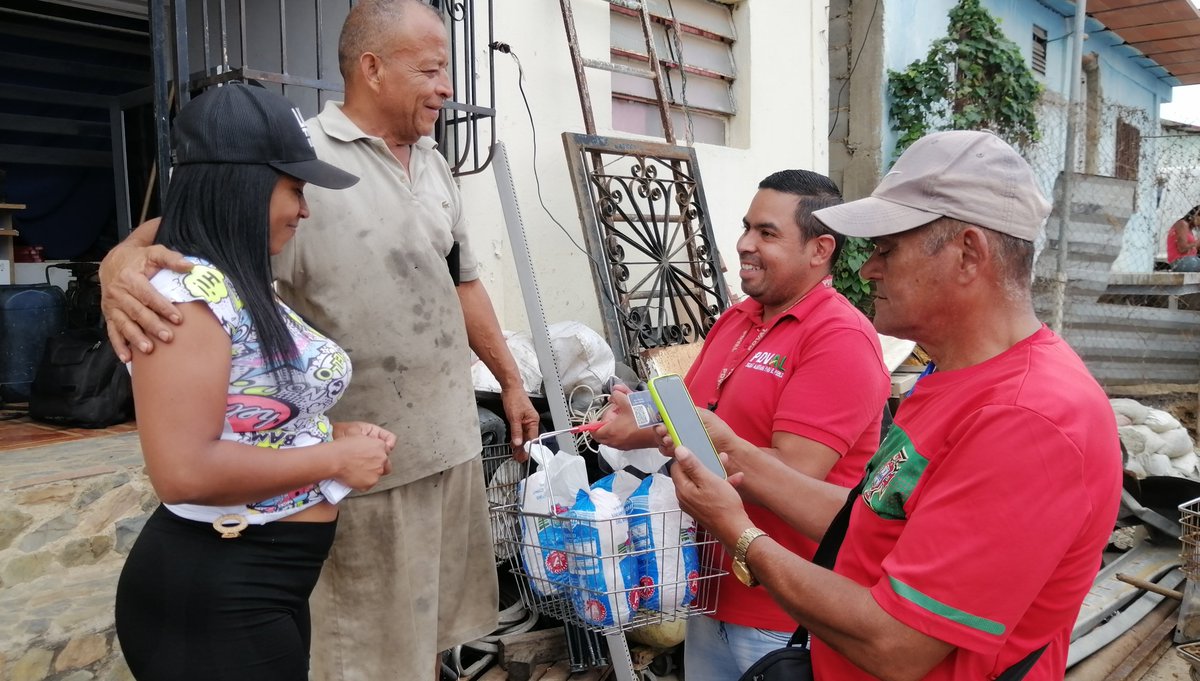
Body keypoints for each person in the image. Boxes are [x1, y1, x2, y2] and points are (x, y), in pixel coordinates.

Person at [100, 2, 541, 678]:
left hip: (441, 448)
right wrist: (119, 261)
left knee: (425, 643)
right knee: (365, 654)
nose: (448, 87)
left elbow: (463, 283)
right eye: (430, 68)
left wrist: (509, 381)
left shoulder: (434, 163)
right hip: (349, 485)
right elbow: (196, 233)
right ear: (371, 67)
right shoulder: (301, 157)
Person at [665, 130, 1123, 680]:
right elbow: (868, 522)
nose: (868, 270)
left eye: (887, 249)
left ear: (968, 254)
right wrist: (735, 453)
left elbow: (897, 644)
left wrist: (740, 534)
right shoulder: (955, 381)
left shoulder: (1027, 418)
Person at [114, 83, 395, 681]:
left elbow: (243, 413)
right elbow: (184, 470)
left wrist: (323, 432)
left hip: (262, 582)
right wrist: (334, 459)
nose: (305, 209)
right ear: (243, 184)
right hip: (220, 587)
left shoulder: (231, 281)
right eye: (294, 188)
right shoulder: (185, 300)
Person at [594, 170, 891, 679]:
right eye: (746, 227)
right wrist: (636, 425)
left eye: (767, 233)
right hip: (712, 590)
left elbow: (791, 480)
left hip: (784, 611)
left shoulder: (838, 338)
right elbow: (696, 421)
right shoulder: (738, 319)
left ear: (821, 249)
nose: (744, 245)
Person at [1167, 205, 1200, 272]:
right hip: (1180, 261)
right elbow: (1182, 248)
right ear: (1196, 216)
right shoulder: (1183, 224)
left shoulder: (1190, 230)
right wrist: (1197, 243)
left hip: (1189, 260)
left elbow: (1192, 248)